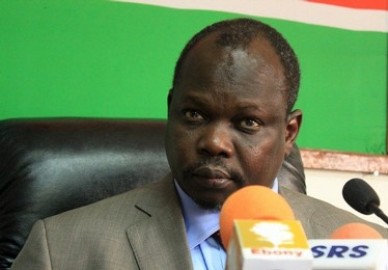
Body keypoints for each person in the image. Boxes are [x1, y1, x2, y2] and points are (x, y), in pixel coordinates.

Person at [11, 18, 387, 270]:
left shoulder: (368, 252)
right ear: (171, 109)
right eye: (194, 115)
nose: (214, 142)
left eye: (248, 122)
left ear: (289, 133)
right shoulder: (60, 251)